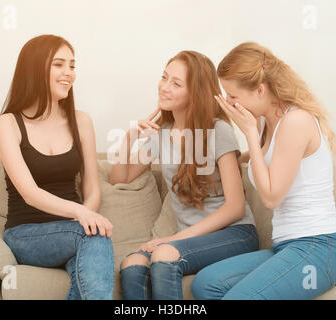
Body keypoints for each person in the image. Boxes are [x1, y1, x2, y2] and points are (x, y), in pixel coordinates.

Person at [191, 42, 336, 300]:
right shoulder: (266, 121)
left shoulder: (295, 121)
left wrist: (250, 133)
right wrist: (226, 159)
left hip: (318, 248)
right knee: (205, 283)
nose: (228, 103)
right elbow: (264, 158)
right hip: (285, 247)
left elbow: (272, 197)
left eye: (233, 95)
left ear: (260, 90)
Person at [109, 50, 258, 300]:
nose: (164, 87)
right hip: (184, 242)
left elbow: (235, 208)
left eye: (176, 83)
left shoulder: (217, 130)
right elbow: (119, 179)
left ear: (195, 92)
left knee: (164, 254)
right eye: (164, 77)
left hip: (235, 234)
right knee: (132, 264)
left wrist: (172, 240)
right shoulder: (161, 135)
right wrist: (129, 138)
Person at [0, 34, 114, 300]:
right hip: (25, 234)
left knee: (88, 269)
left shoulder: (81, 122)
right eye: (59, 64)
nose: (68, 73)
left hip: (73, 231)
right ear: (35, 69)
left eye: (72, 65)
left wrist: (80, 220)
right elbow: (29, 193)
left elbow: (92, 188)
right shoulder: (8, 123)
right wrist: (82, 218)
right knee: (94, 235)